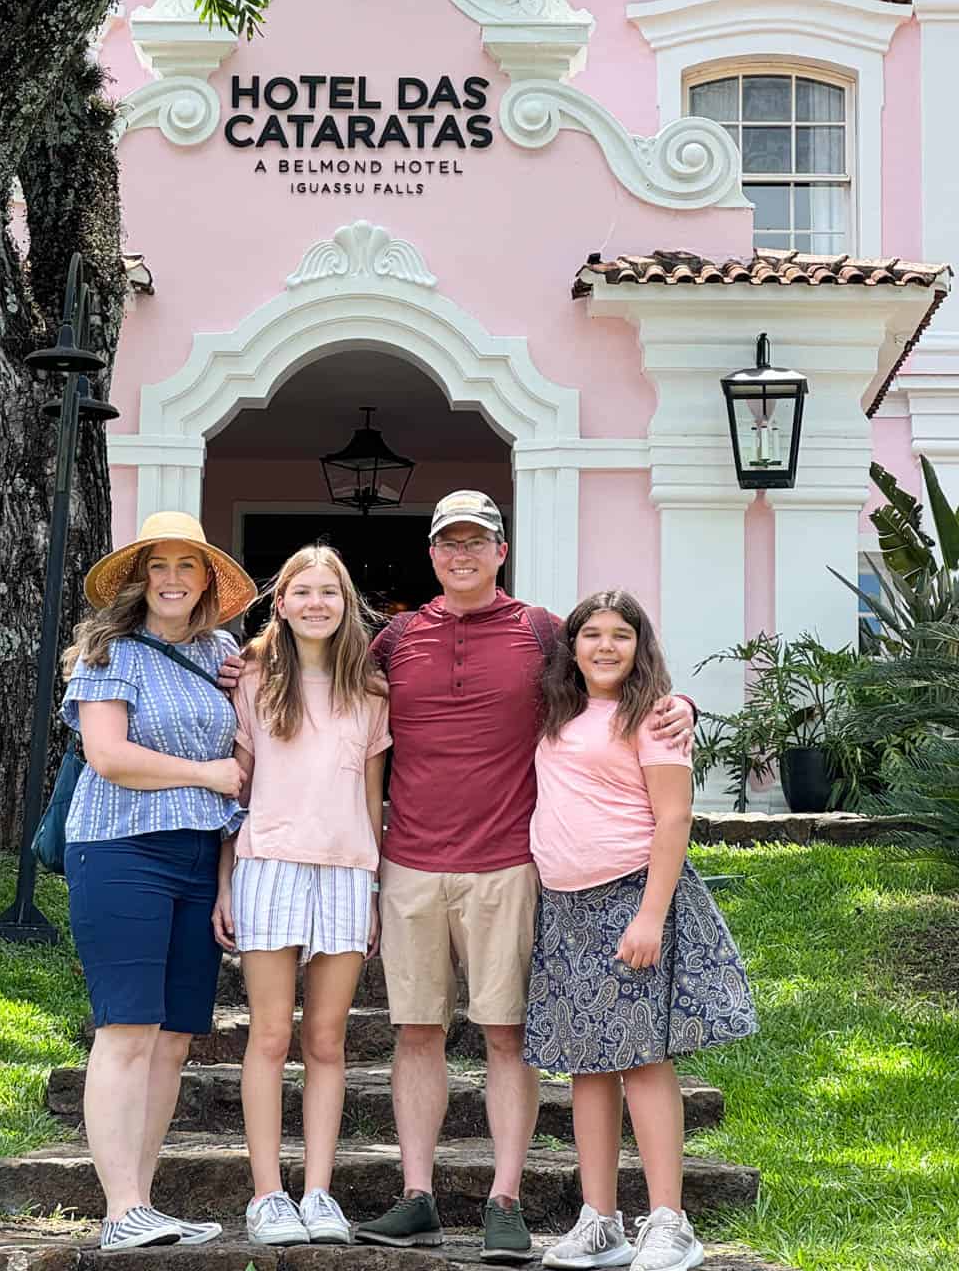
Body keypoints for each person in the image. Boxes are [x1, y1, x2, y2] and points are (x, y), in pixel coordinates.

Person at [219, 490, 694, 1263]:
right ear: (432, 554)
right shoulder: (398, 638)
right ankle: (417, 1196)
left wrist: (681, 705)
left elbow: (616, 676)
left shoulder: (542, 630)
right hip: (407, 861)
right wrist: (251, 654)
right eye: (449, 544)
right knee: (415, 1031)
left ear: (501, 550)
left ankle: (505, 1199)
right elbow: (318, 662)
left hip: (509, 862)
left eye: (477, 542)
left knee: (507, 1035)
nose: (462, 555)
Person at [527, 591, 758, 1271]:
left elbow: (674, 819)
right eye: (591, 634)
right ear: (571, 648)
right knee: (586, 1067)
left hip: (632, 897)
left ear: (640, 645)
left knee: (644, 1061)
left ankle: (670, 1222)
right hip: (566, 907)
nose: (604, 646)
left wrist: (650, 915)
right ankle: (600, 1220)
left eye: (620, 635)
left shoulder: (656, 717)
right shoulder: (561, 713)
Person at [60, 512, 257, 1255]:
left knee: (175, 1039)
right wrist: (205, 774)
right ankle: (120, 1211)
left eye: (188, 566)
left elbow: (248, 745)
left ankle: (142, 1204)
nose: (172, 579)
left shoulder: (221, 652)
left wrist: (229, 874)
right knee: (128, 1028)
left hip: (198, 857)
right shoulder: (107, 652)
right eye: (159, 566)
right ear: (138, 579)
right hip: (120, 850)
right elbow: (109, 756)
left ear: (206, 580)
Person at [212, 545, 391, 1248]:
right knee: (271, 1035)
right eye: (303, 592)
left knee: (326, 1039)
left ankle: (318, 1192)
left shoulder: (371, 689)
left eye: (331, 592)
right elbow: (238, 784)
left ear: (346, 605)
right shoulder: (251, 676)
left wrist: (374, 887)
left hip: (346, 873)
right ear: (279, 602)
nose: (317, 603)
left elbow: (373, 800)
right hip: (269, 864)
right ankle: (267, 1196)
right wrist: (225, 879)